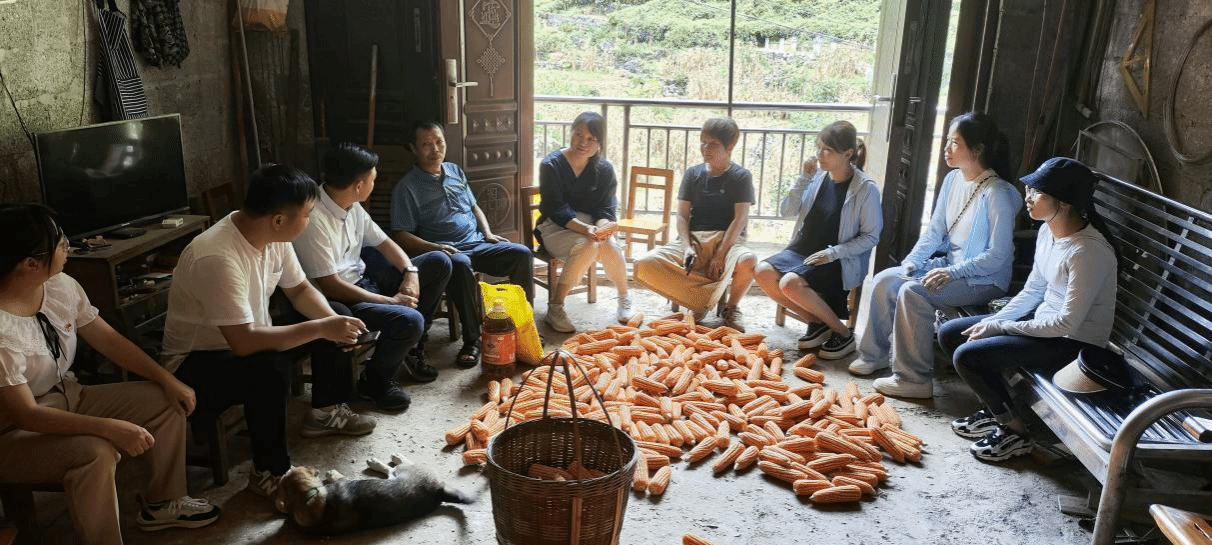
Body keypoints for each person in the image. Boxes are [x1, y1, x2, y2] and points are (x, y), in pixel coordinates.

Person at [0, 204, 220, 544]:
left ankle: (164, 503)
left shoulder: (59, 285)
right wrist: (108, 427)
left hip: (68, 395)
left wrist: (166, 378)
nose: (68, 246)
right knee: (96, 451)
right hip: (12, 432)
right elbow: (27, 415)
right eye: (59, 242)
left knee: (165, 399)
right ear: (29, 263)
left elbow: (109, 340)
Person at [161, 164, 375, 505]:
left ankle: (324, 413)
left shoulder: (273, 236)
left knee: (336, 316)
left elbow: (300, 289)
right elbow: (244, 343)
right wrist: (321, 328)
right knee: (268, 369)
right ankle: (269, 473)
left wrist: (333, 323)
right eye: (307, 214)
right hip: (195, 363)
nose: (309, 221)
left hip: (247, 339)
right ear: (278, 219)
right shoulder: (216, 255)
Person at [936, 158, 1118, 462]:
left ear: (1064, 201)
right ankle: (996, 409)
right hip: (1047, 328)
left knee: (967, 356)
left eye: (1037, 192)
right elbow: (1033, 290)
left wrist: (1002, 326)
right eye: (1029, 190)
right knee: (952, 333)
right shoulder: (1048, 231)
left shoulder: (1088, 251)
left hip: (1074, 345)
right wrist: (995, 320)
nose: (1028, 197)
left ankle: (1015, 432)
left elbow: (1068, 323)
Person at [855, 112, 1022, 388]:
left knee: (913, 292)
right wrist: (912, 262)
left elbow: (997, 256)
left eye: (955, 143)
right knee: (885, 280)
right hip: (951, 268)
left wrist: (953, 272)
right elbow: (934, 232)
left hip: (983, 280)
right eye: (947, 141)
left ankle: (913, 379)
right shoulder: (952, 179)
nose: (947, 148)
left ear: (977, 150)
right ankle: (875, 356)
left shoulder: (997, 194)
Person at [294, 143, 454, 405]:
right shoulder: (314, 219)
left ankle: (410, 347)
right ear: (359, 185)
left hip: (365, 282)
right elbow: (331, 285)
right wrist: (391, 301)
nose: (375, 184)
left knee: (439, 261)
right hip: (342, 299)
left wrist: (410, 273)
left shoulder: (351, 204)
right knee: (410, 320)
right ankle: (375, 381)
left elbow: (385, 243)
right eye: (373, 179)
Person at [390, 121, 535, 367]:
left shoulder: (455, 171)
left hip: (477, 243)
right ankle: (473, 341)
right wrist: (435, 248)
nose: (435, 149)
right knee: (459, 265)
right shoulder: (407, 188)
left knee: (521, 254)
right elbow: (401, 234)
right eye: (426, 144)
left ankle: (522, 330)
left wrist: (488, 233)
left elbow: (474, 206)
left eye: (439, 142)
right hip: (448, 252)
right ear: (413, 148)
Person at [754, 120, 882, 360]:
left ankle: (844, 334)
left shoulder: (866, 189)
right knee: (762, 272)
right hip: (803, 249)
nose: (819, 154)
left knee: (789, 283)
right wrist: (803, 178)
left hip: (838, 259)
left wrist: (832, 253)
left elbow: (871, 236)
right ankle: (818, 322)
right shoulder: (817, 177)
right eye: (818, 147)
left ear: (848, 154)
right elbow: (786, 210)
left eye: (827, 150)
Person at [633, 117, 757, 331]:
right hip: (694, 239)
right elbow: (681, 216)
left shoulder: (741, 176)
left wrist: (720, 254)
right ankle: (698, 299)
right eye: (703, 142)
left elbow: (740, 219)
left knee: (749, 261)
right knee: (644, 263)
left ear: (730, 147)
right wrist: (686, 247)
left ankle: (731, 307)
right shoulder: (693, 174)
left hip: (728, 240)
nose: (705, 148)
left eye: (713, 144)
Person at [537, 112, 634, 332]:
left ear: (600, 142)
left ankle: (624, 297)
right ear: (571, 132)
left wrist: (601, 229)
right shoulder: (551, 165)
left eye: (592, 138)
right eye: (579, 134)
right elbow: (556, 208)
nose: (583, 142)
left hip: (592, 224)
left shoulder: (604, 169)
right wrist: (585, 229)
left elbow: (605, 207)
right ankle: (555, 307)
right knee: (588, 245)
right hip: (555, 227)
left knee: (608, 244)